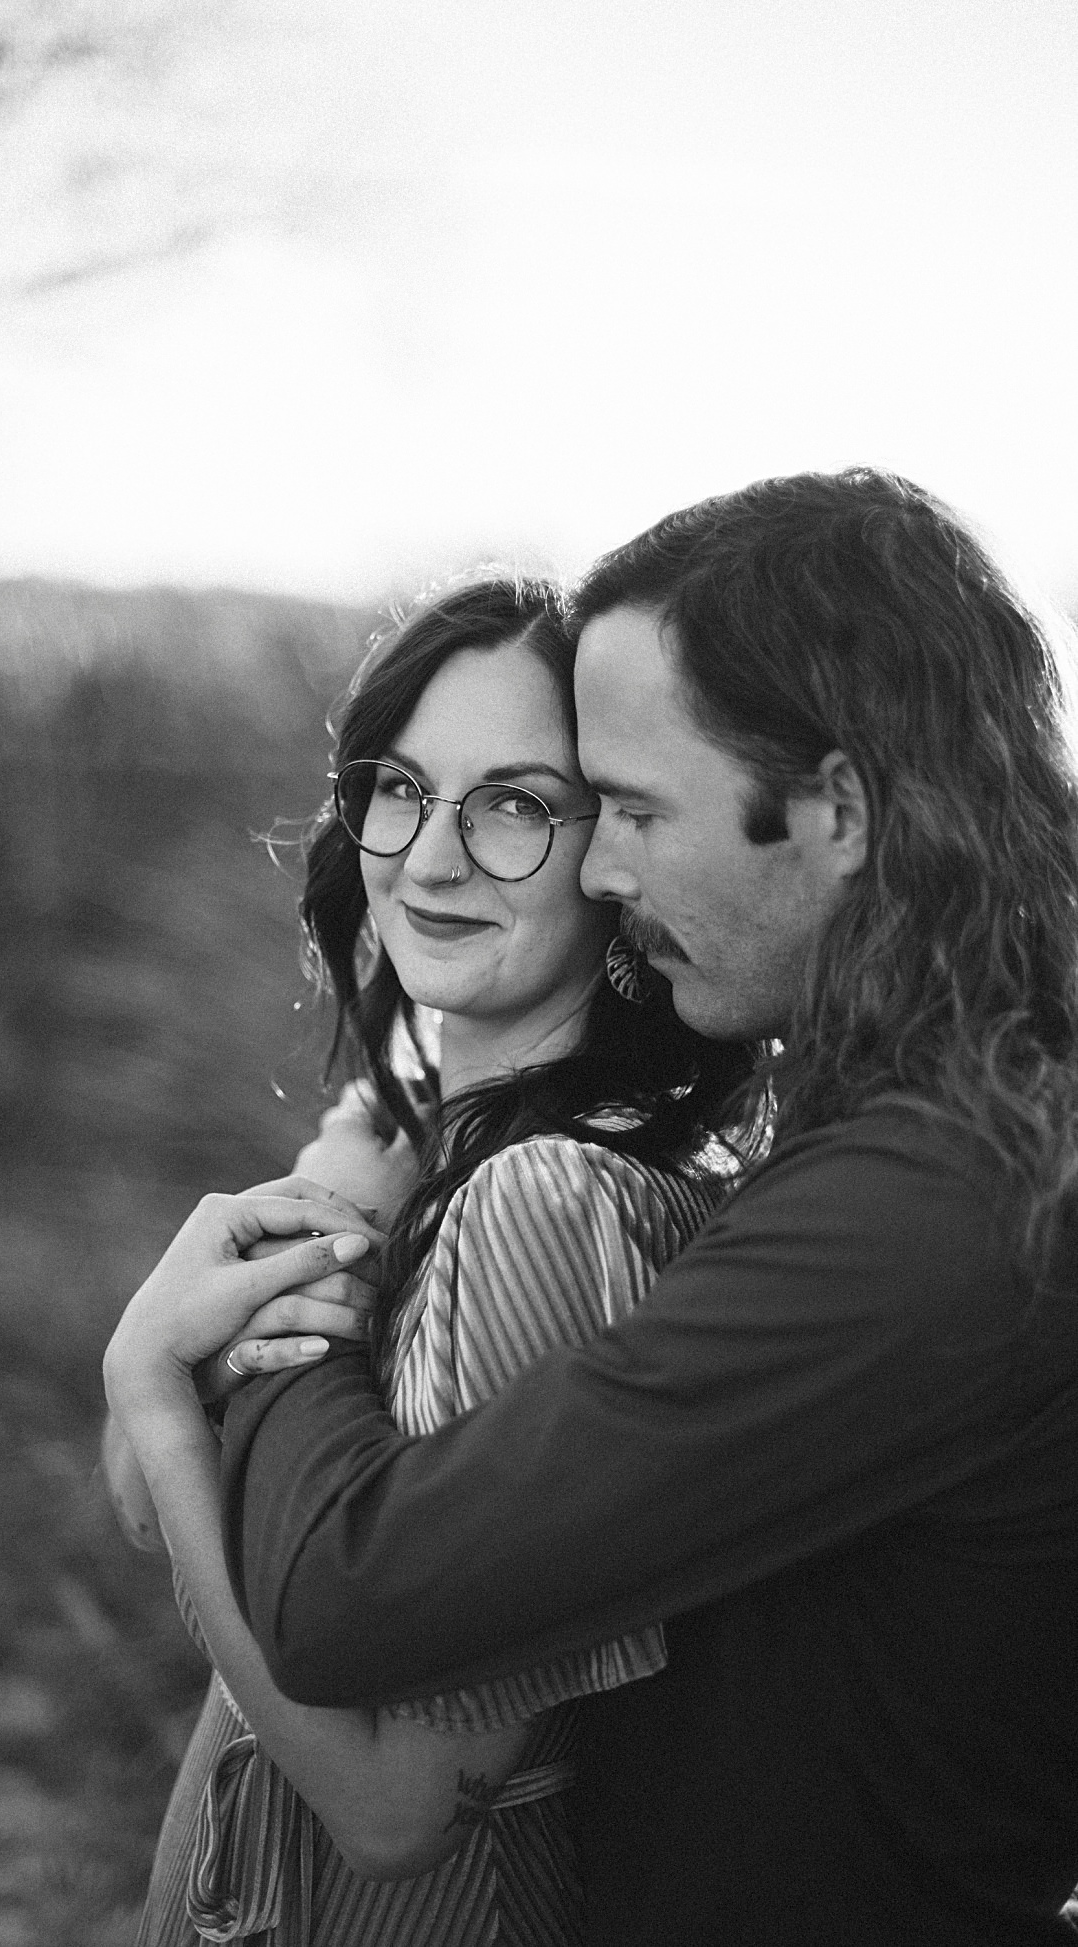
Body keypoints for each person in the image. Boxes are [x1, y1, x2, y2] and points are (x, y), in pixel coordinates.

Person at [110, 470, 1078, 1945]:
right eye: (398, 791)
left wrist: (263, 1294)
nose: (608, 872)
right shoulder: (890, 1142)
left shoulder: (932, 1211)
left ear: (837, 809)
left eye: (605, 808)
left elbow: (355, 1612)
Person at [105, 576, 755, 1944]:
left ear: (616, 852)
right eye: (401, 787)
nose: (432, 857)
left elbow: (399, 1807)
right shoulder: (425, 1153)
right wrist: (348, 1169)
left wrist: (160, 1396)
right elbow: (128, 1494)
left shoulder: (548, 1206)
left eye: (515, 804)